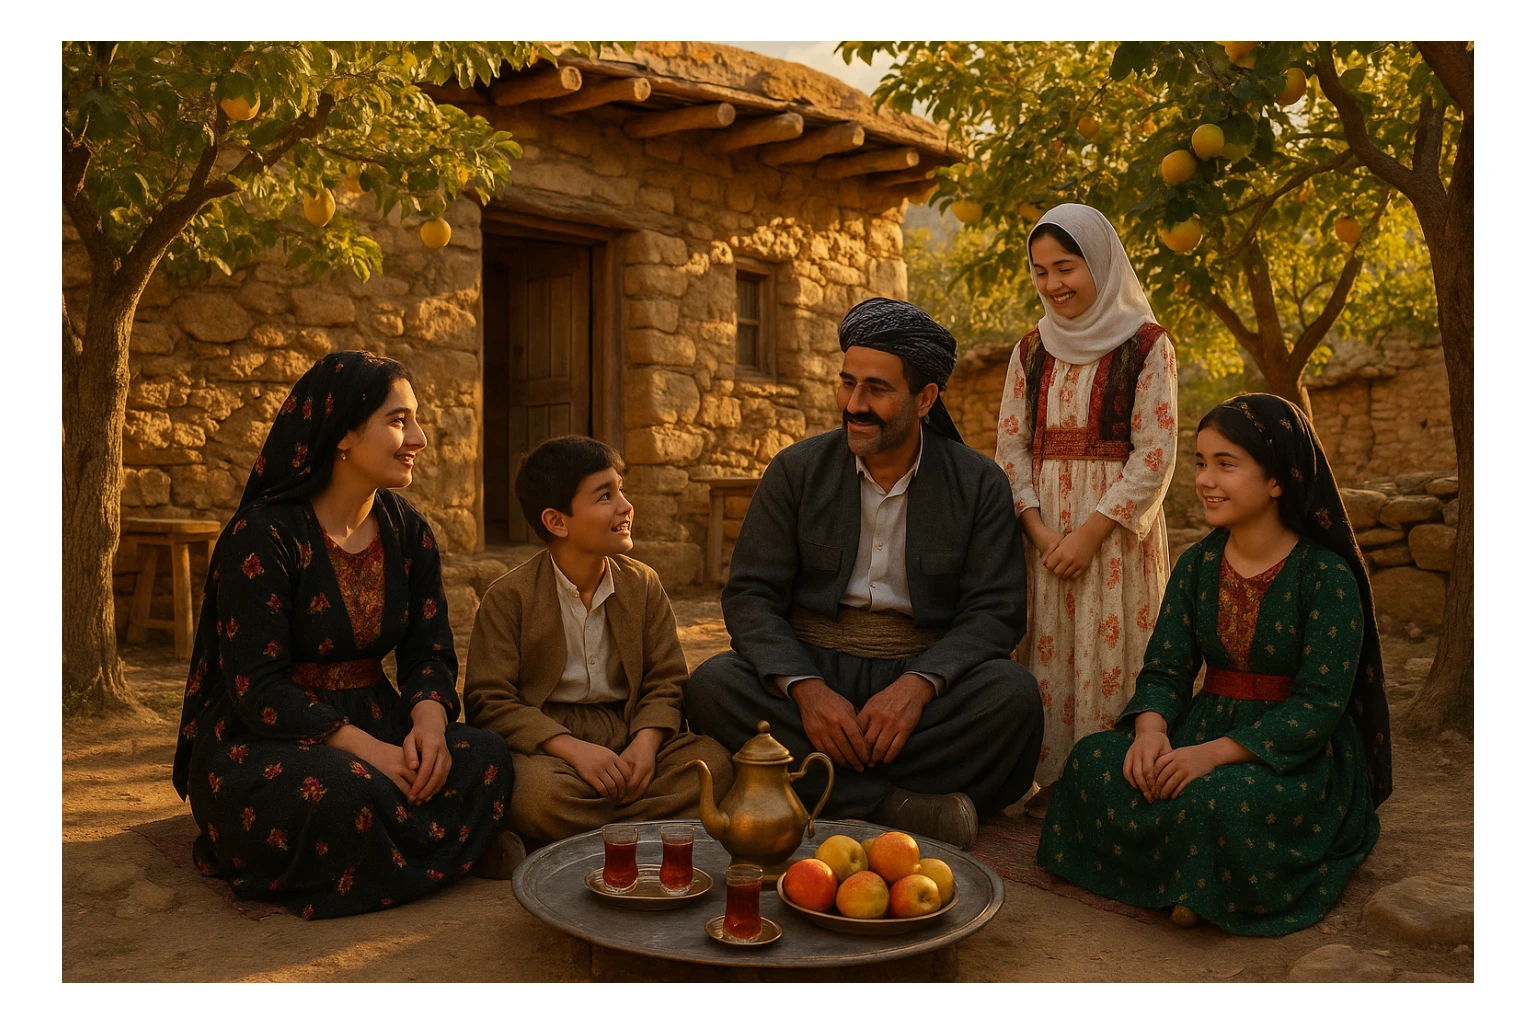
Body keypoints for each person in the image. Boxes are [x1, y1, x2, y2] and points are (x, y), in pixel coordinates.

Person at [684, 297, 1045, 851]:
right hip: (814, 669)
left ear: (925, 399)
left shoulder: (978, 484)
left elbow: (995, 613)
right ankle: (896, 806)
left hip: (921, 678)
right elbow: (751, 597)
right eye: (847, 384)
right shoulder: (796, 471)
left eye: (876, 389)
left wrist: (919, 686)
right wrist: (805, 690)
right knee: (713, 685)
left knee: (1012, 697)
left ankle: (821, 791)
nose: (854, 405)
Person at [170, 351, 517, 920]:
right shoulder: (263, 535)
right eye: (399, 420)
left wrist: (428, 727)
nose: (420, 438)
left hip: (376, 715)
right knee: (346, 794)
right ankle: (446, 848)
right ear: (343, 436)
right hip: (267, 738)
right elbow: (258, 688)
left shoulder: (407, 530)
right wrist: (372, 752)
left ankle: (399, 852)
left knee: (485, 756)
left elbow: (429, 650)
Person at [1037, 393, 1393, 936]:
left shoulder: (1325, 577)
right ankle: (1195, 880)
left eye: (1226, 465)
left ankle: (1192, 880)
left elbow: (1319, 709)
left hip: (1290, 754)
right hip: (1200, 729)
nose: (1205, 479)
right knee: (1092, 760)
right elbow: (1165, 671)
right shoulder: (1197, 565)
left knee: (1219, 801)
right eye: (1201, 463)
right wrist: (1151, 734)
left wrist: (1210, 757)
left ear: (1278, 479)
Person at [993, 203, 1180, 818]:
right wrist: (1043, 533)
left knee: (1117, 653)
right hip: (1043, 538)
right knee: (1050, 654)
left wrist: (1089, 534)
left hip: (1116, 541)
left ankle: (1118, 776)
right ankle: (1052, 782)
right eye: (1040, 271)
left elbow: (1154, 454)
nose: (1053, 285)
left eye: (1066, 267)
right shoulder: (1031, 352)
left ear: (1101, 262)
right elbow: (1011, 448)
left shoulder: (1149, 346)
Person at [463, 436, 735, 846]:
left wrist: (645, 745)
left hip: (628, 729)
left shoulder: (642, 584)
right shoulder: (509, 597)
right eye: (605, 496)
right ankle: (638, 829)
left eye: (621, 489)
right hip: (551, 744)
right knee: (537, 795)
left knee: (711, 763)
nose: (626, 506)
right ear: (557, 521)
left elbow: (666, 680)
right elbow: (490, 699)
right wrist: (572, 749)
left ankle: (584, 835)